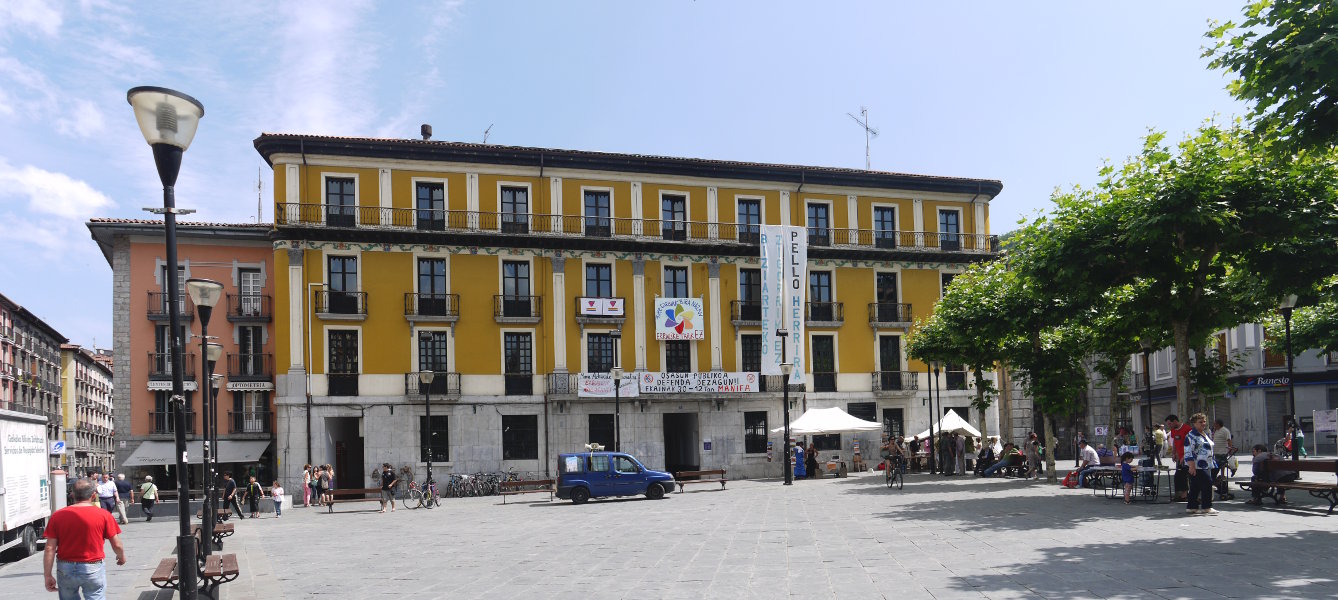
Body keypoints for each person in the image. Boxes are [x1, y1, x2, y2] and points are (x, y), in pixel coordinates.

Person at [43, 478, 126, 599]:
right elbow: (116, 544)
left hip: (65, 567)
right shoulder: (104, 515)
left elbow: (49, 548)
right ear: (93, 495)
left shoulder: (57, 516)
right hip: (92, 566)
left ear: (72, 495)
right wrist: (121, 556)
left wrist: (47, 575)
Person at [1184, 412, 1218, 515]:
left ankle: (1192, 506)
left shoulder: (1205, 434)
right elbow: (1188, 451)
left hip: (1207, 463)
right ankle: (1206, 507)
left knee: (1195, 486)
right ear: (1194, 423)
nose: (1203, 423)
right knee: (1207, 483)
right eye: (1200, 422)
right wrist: (1191, 466)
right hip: (1197, 465)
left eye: (1204, 421)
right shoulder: (1191, 436)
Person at [1165, 415, 1193, 501]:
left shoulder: (1187, 429)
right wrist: (1173, 453)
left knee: (1184, 476)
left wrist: (1185, 456)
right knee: (1178, 476)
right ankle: (1180, 495)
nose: (1169, 426)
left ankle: (1185, 495)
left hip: (1187, 457)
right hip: (1179, 457)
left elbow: (1191, 444)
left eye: (1170, 424)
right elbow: (1174, 442)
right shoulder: (1173, 430)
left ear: (1175, 421)